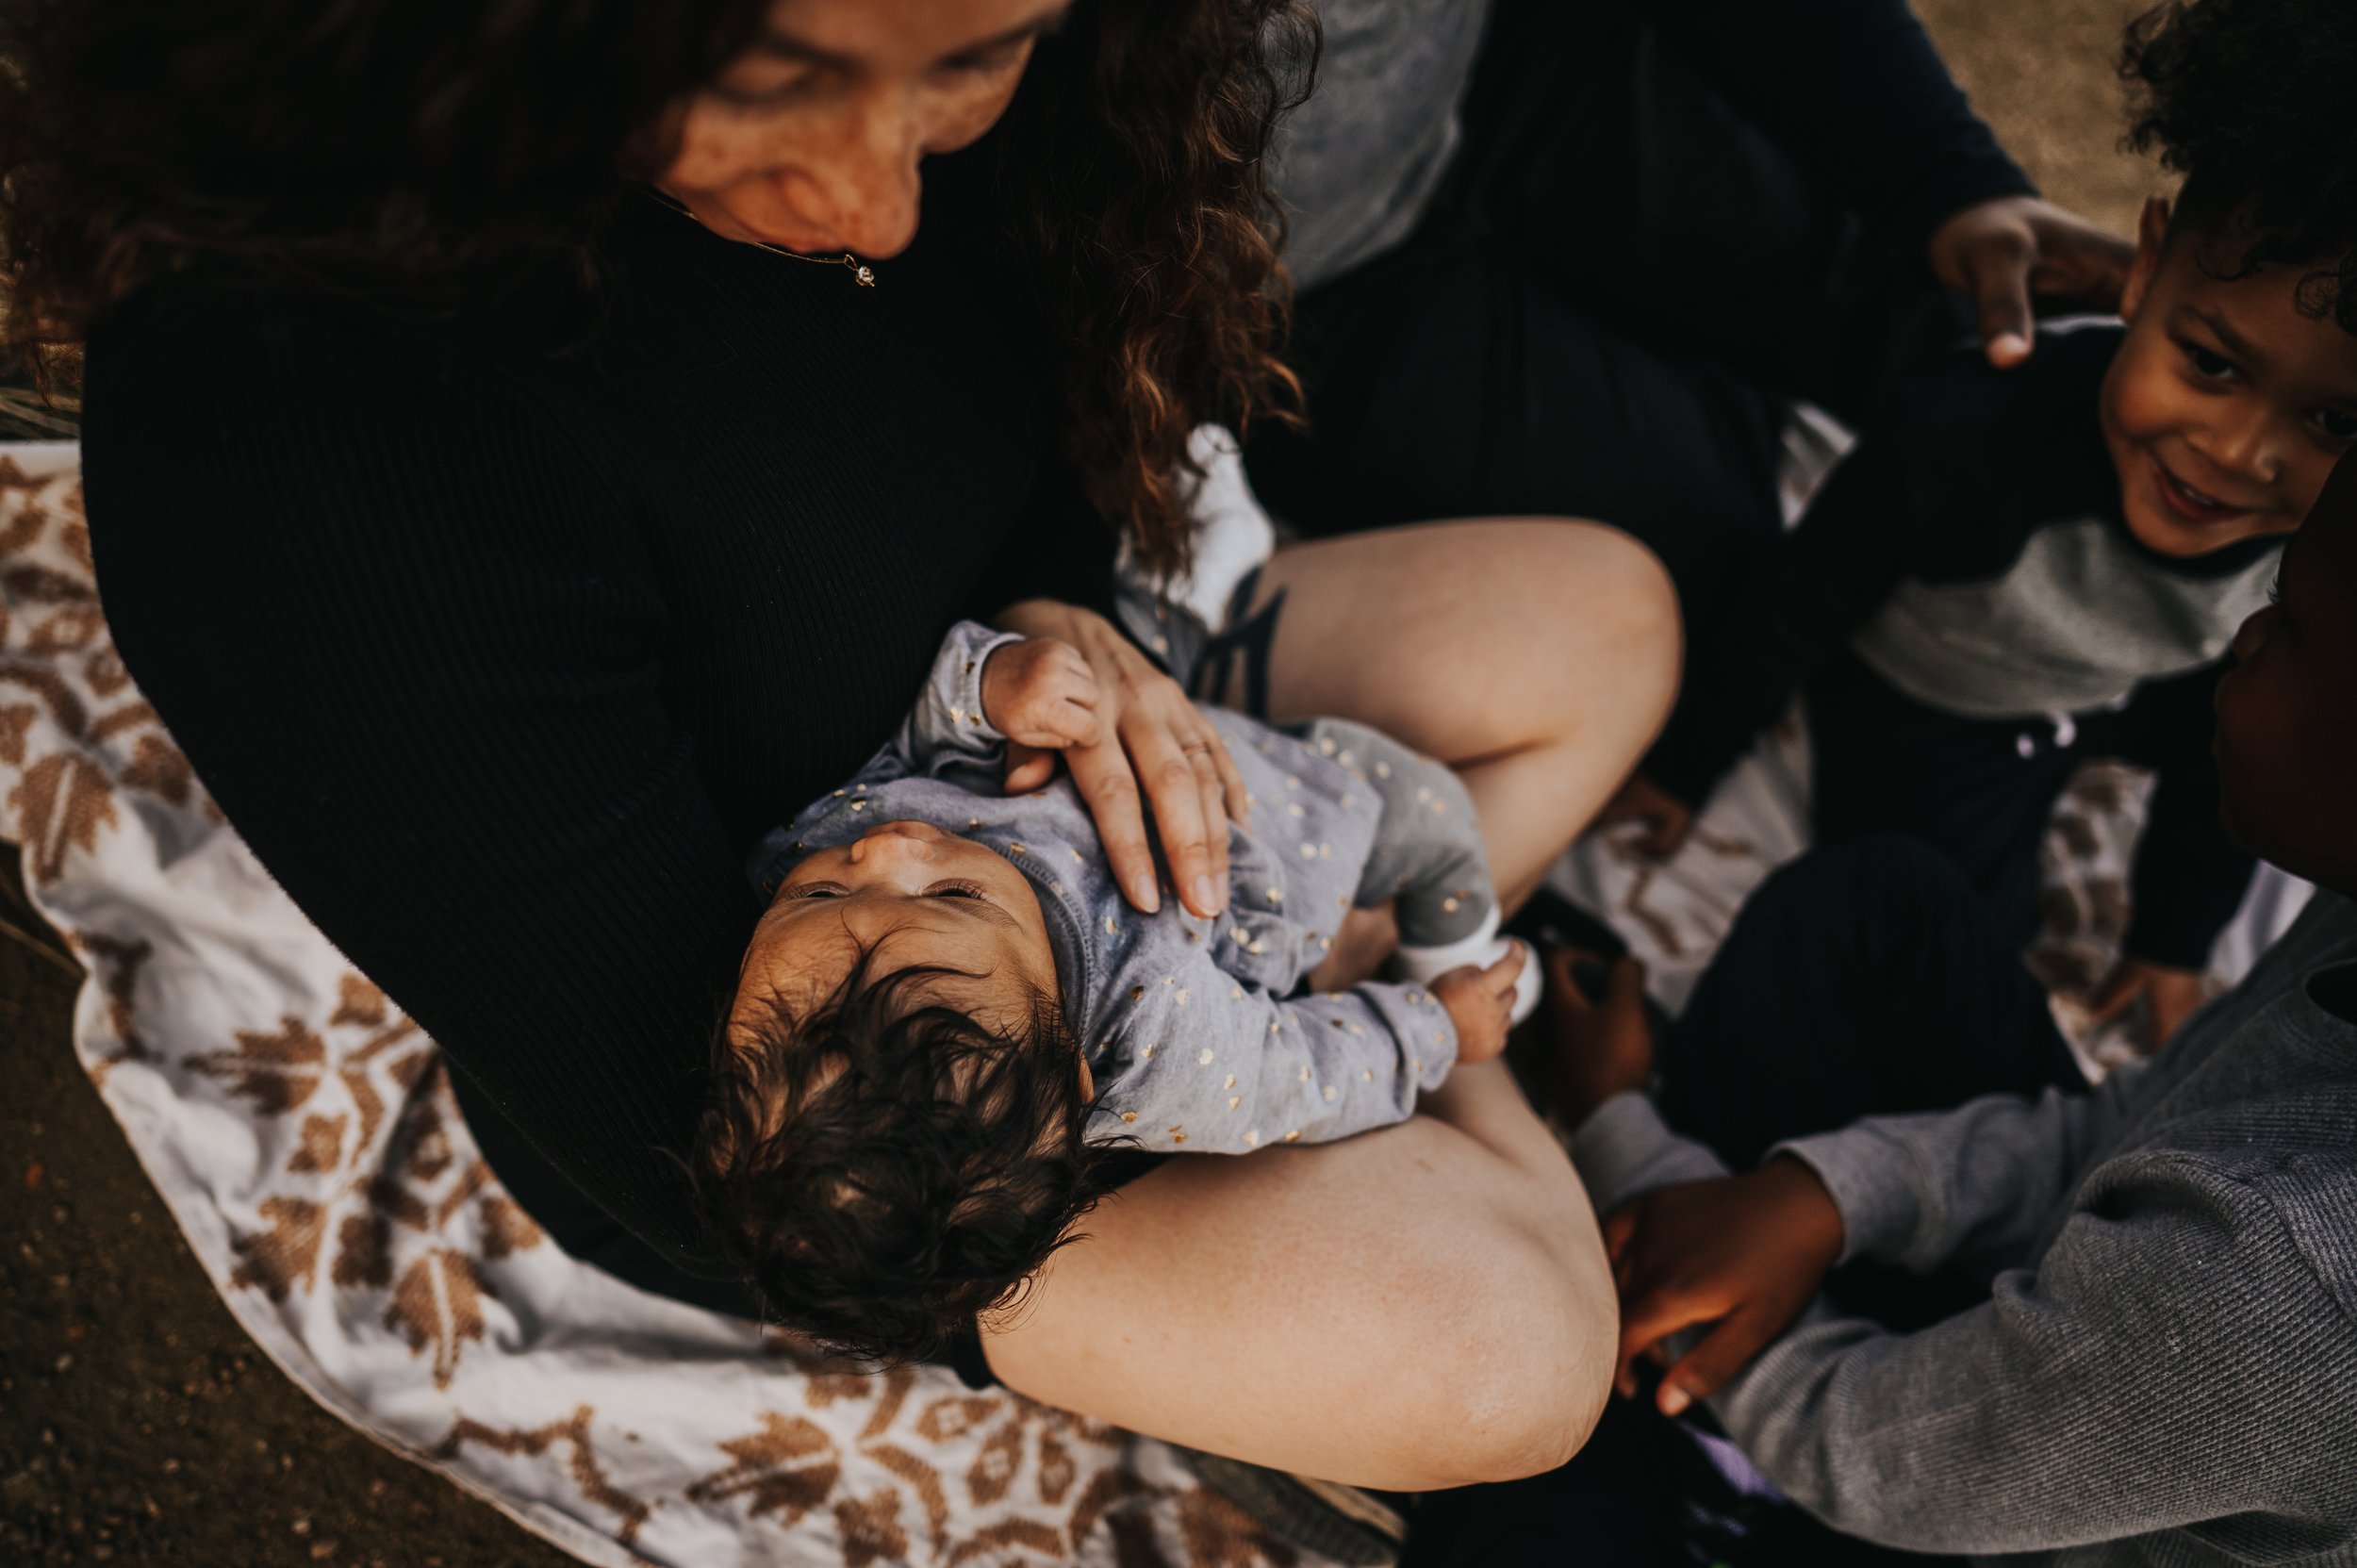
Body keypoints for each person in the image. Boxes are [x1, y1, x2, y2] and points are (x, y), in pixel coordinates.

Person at [17, 0, 1672, 1486]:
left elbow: (1052, 455)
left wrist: (1065, 626)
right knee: (1505, 1361)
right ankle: (1463, 1022)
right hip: (879, 1123)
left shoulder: (1048, 86)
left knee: (1607, 620)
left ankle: (1345, 958)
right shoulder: (298, 443)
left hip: (1019, 696)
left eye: (971, 59)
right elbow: (677, 1082)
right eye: (768, 87)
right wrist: (1400, 1037)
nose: (877, 208)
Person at [1542, 430, 2357, 1568]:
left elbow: (1875, 1459)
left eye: (2297, 625)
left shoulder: (2292, 1297)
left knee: (1524, 1465)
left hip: (1993, 1513)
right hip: (2084, 1371)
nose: (2245, 634)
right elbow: (2141, 1131)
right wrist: (1828, 1194)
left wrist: (1618, 1129)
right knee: (1880, 906)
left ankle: (1687, 1441)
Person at [1607, 0, 2357, 1050]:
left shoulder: (2317, 554)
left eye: (2330, 421)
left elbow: (2209, 746)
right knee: (1946, 934)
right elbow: (1797, 600)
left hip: (2122, 685)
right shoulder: (1971, 437)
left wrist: (2171, 943)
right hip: (1941, 694)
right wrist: (1683, 764)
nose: (2236, 454)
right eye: (2210, 365)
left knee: (2251, 742)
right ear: (2143, 273)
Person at [698, 619, 1533, 1364]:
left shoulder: (798, 862)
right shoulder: (1161, 1039)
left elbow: (913, 760)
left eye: (819, 897)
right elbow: (1301, 1073)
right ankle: (1453, 953)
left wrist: (988, 688)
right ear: (1072, 1062)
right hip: (1293, 816)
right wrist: (1431, 1026)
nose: (889, 847)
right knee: (1440, 821)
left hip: (1143, 697)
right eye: (954, 896)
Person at [1251, 0, 2140, 629]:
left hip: (1502, 53)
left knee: (1936, 309)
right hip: (1279, 296)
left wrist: (1950, 184)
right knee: (1735, 550)